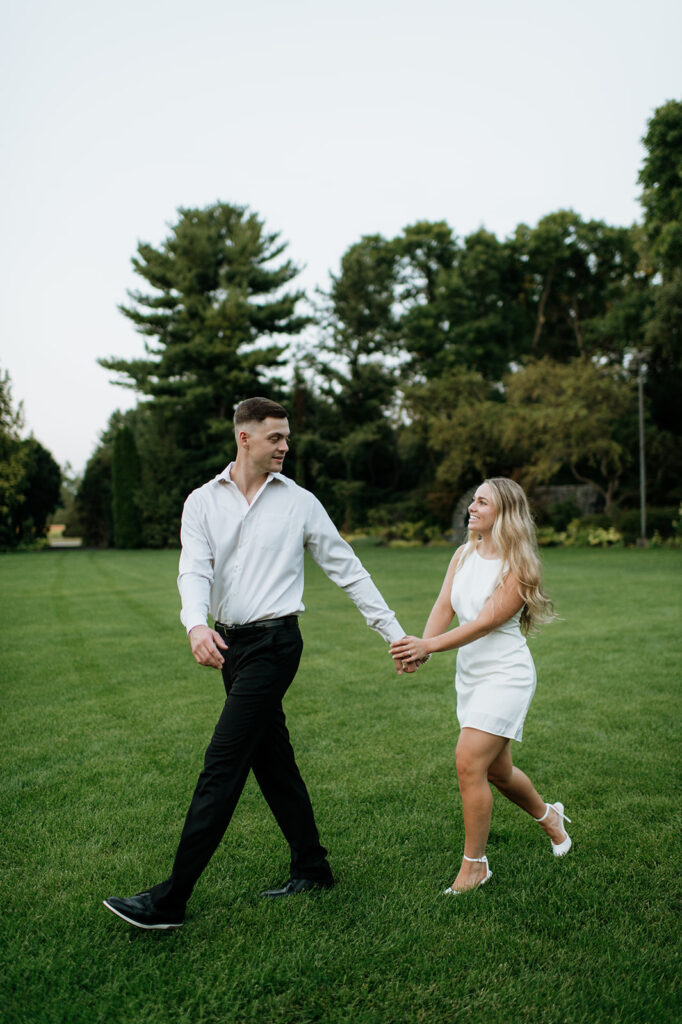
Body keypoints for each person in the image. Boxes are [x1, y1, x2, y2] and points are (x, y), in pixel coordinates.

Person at [104, 397, 415, 930]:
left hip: (276, 646)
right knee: (273, 760)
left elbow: (348, 569)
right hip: (230, 647)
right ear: (244, 438)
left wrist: (392, 632)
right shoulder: (202, 501)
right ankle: (313, 868)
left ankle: (170, 900)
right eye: (276, 437)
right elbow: (192, 570)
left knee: (222, 764)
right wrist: (195, 623)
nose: (286, 447)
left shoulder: (300, 503)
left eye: (287, 437)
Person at [390, 478, 572, 895]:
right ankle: (550, 818)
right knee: (499, 772)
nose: (471, 507)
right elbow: (445, 605)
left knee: (469, 762)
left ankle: (475, 867)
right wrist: (421, 651)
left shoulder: (519, 566)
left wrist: (428, 645)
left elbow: (485, 622)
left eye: (481, 502)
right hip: (470, 677)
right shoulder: (463, 553)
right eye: (472, 499)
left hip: (506, 676)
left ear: (504, 513)